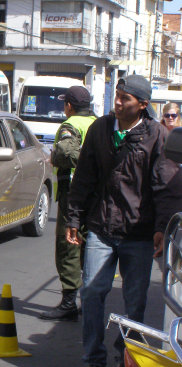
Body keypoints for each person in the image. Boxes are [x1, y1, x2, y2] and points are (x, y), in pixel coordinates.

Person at [64, 74, 182, 367]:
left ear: (142, 105)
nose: (117, 102)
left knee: (135, 301)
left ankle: (126, 353)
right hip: (101, 229)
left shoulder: (157, 135)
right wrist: (73, 218)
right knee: (91, 292)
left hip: (139, 235)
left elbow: (165, 187)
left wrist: (160, 229)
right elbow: (83, 178)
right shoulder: (100, 128)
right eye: (117, 95)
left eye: (124, 98)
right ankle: (93, 356)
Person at [39, 86, 96, 322]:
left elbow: (66, 153)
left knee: (68, 247)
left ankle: (69, 301)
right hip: (95, 195)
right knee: (89, 247)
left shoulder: (70, 125)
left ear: (70, 106)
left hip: (73, 193)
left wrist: (55, 157)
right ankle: (89, 299)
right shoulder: (98, 123)